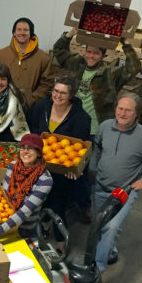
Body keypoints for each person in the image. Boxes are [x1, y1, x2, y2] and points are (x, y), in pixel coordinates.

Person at [52, 29, 141, 221]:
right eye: (89, 51)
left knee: (89, 172)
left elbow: (134, 67)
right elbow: (58, 50)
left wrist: (124, 42)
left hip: (95, 131)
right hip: (73, 128)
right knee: (70, 170)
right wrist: (71, 33)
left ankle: (85, 206)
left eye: (96, 53)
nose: (91, 56)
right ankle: (76, 201)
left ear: (103, 55)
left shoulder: (110, 74)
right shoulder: (76, 63)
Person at [89, 93, 142, 272]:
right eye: (120, 108)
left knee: (111, 228)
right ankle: (109, 251)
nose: (123, 113)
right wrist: (93, 169)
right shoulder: (105, 127)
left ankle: (96, 270)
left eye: (128, 110)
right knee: (99, 225)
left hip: (124, 193)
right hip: (100, 187)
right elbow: (97, 147)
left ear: (136, 114)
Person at [27, 76, 91, 233]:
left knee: (57, 204)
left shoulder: (80, 118)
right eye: (56, 90)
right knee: (38, 201)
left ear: (71, 95)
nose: (58, 95)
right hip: (39, 166)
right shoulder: (42, 107)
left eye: (63, 93)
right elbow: (32, 129)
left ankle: (61, 240)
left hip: (62, 173)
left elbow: (79, 150)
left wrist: (76, 169)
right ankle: (45, 224)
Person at [0, 133, 53, 237]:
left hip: (23, 229)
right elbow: (3, 194)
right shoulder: (13, 165)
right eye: (23, 148)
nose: (25, 151)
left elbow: (25, 211)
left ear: (39, 153)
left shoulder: (45, 180)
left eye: (30, 148)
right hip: (1, 219)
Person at [0, 17, 54, 108]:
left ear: (30, 33)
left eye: (26, 30)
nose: (22, 33)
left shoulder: (43, 58)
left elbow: (48, 84)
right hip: (1, 106)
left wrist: (31, 100)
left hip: (29, 108)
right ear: (14, 33)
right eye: (19, 29)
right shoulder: (0, 55)